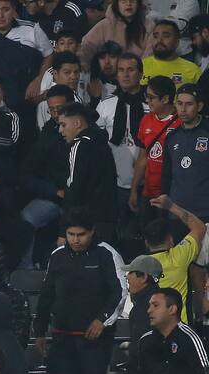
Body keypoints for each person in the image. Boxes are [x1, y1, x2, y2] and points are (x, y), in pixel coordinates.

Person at [35, 208, 125, 374]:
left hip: (94, 341)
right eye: (71, 234)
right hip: (62, 339)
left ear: (92, 232)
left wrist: (101, 320)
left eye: (81, 234)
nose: (75, 239)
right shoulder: (57, 256)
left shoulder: (107, 254)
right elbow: (46, 295)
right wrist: (40, 331)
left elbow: (119, 293)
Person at [19, 84, 74, 267]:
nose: (56, 113)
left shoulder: (87, 133)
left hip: (80, 200)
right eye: (52, 109)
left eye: (61, 108)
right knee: (26, 218)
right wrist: (53, 191)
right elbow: (27, 172)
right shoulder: (48, 133)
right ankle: (25, 271)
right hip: (55, 197)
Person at [95, 52, 145, 245]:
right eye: (121, 70)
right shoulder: (106, 105)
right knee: (116, 237)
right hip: (114, 183)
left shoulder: (151, 103)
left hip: (146, 184)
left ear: (141, 74)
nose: (125, 75)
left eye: (130, 70)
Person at [57, 102, 119, 241]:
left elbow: (73, 190)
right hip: (108, 219)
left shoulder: (79, 146)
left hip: (85, 224)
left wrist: (63, 232)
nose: (60, 130)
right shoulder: (101, 143)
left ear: (77, 123)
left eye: (63, 125)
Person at [143, 195, 205, 323]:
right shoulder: (179, 256)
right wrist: (171, 206)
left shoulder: (140, 268)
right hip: (181, 329)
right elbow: (200, 227)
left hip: (151, 328)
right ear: (170, 240)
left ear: (146, 243)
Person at [128, 76, 179, 224]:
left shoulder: (181, 123)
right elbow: (143, 157)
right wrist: (134, 190)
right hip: (148, 194)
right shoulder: (146, 120)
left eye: (151, 98)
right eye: (147, 97)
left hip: (172, 196)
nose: (147, 101)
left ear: (165, 99)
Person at [161, 85, 209, 222]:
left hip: (204, 214)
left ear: (199, 106)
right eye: (179, 103)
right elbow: (166, 176)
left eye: (189, 104)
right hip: (177, 214)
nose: (183, 109)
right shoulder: (172, 137)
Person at [120, 255, 162, 374]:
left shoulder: (143, 309)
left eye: (130, 273)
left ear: (143, 277)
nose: (127, 277)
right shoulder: (163, 301)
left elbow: (139, 351)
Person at [79, 0, 153, 70]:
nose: (128, 3)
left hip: (139, 76)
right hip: (108, 78)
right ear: (117, 3)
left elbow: (149, 56)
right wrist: (84, 68)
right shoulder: (105, 25)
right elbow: (86, 47)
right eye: (123, 1)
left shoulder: (149, 26)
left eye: (132, 0)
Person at [141, 20, 200, 89]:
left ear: (177, 41)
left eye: (166, 36)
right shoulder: (140, 66)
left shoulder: (192, 70)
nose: (159, 40)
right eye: (155, 36)